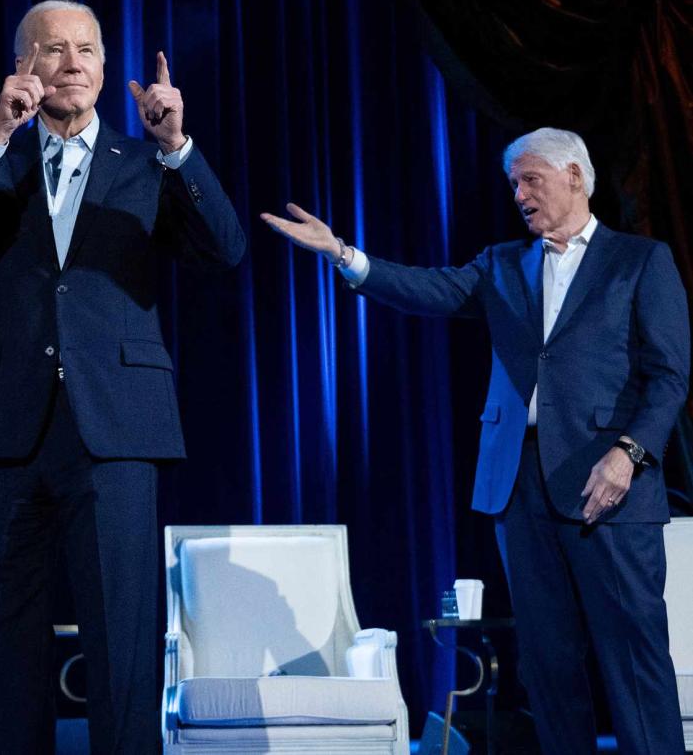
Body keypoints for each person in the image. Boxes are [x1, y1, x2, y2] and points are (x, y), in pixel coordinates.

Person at [263, 127, 689, 754]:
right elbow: (428, 290)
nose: (518, 193)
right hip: (519, 485)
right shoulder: (501, 265)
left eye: (530, 178)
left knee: (632, 651)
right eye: (513, 182)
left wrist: (629, 453)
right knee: (547, 664)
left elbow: (670, 373)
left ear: (574, 175)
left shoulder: (640, 261)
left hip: (608, 484)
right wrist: (344, 255)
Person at [0, 0, 245, 754]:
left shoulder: (146, 164)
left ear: (105, 67)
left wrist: (177, 148)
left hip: (117, 427)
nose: (72, 63)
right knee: (11, 635)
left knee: (122, 637)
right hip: (9, 426)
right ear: (21, 66)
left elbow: (225, 250)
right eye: (52, 50)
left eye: (87, 50)